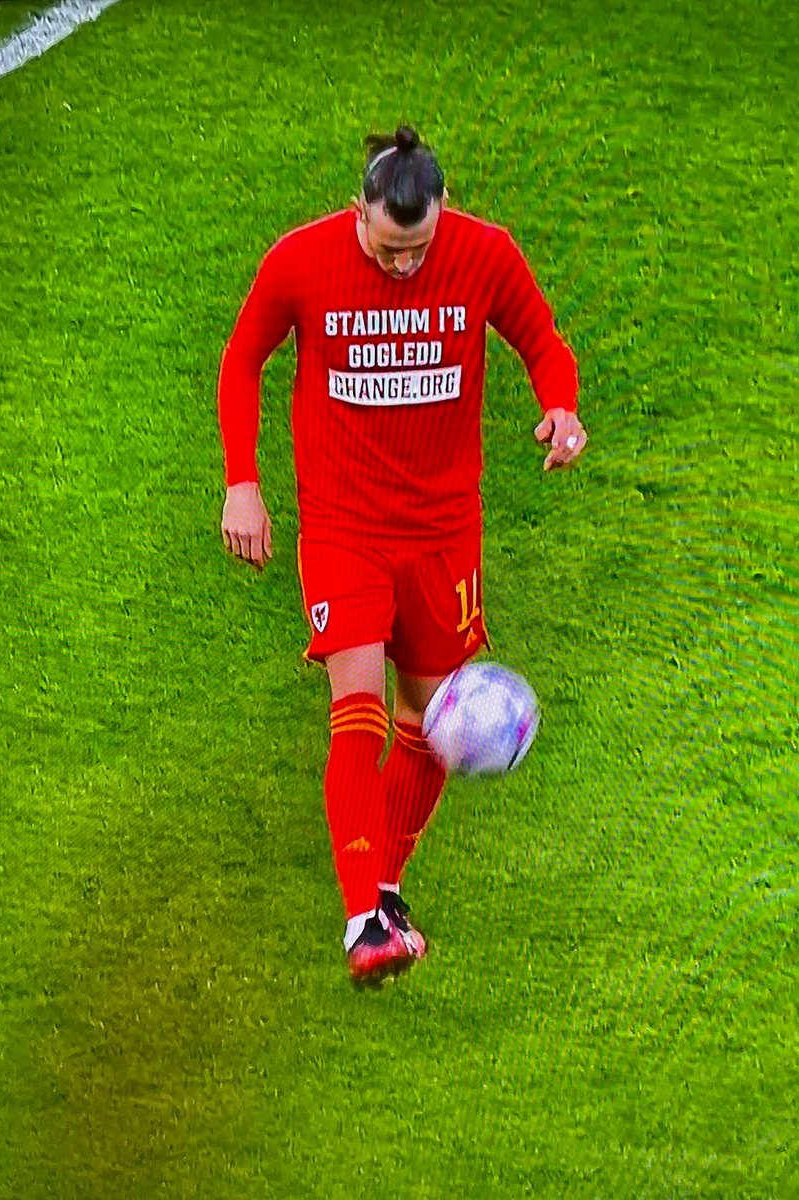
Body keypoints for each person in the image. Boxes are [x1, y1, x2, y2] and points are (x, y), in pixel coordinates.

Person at [217, 125, 587, 985]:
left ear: (443, 215)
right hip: (344, 527)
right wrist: (243, 483)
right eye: (386, 249)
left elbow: (543, 342)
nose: (401, 267)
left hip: (443, 532)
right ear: (360, 213)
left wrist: (560, 408)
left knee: (431, 724)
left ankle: (385, 888)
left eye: (416, 250)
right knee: (360, 710)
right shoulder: (301, 261)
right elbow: (243, 361)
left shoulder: (485, 255)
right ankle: (361, 925)